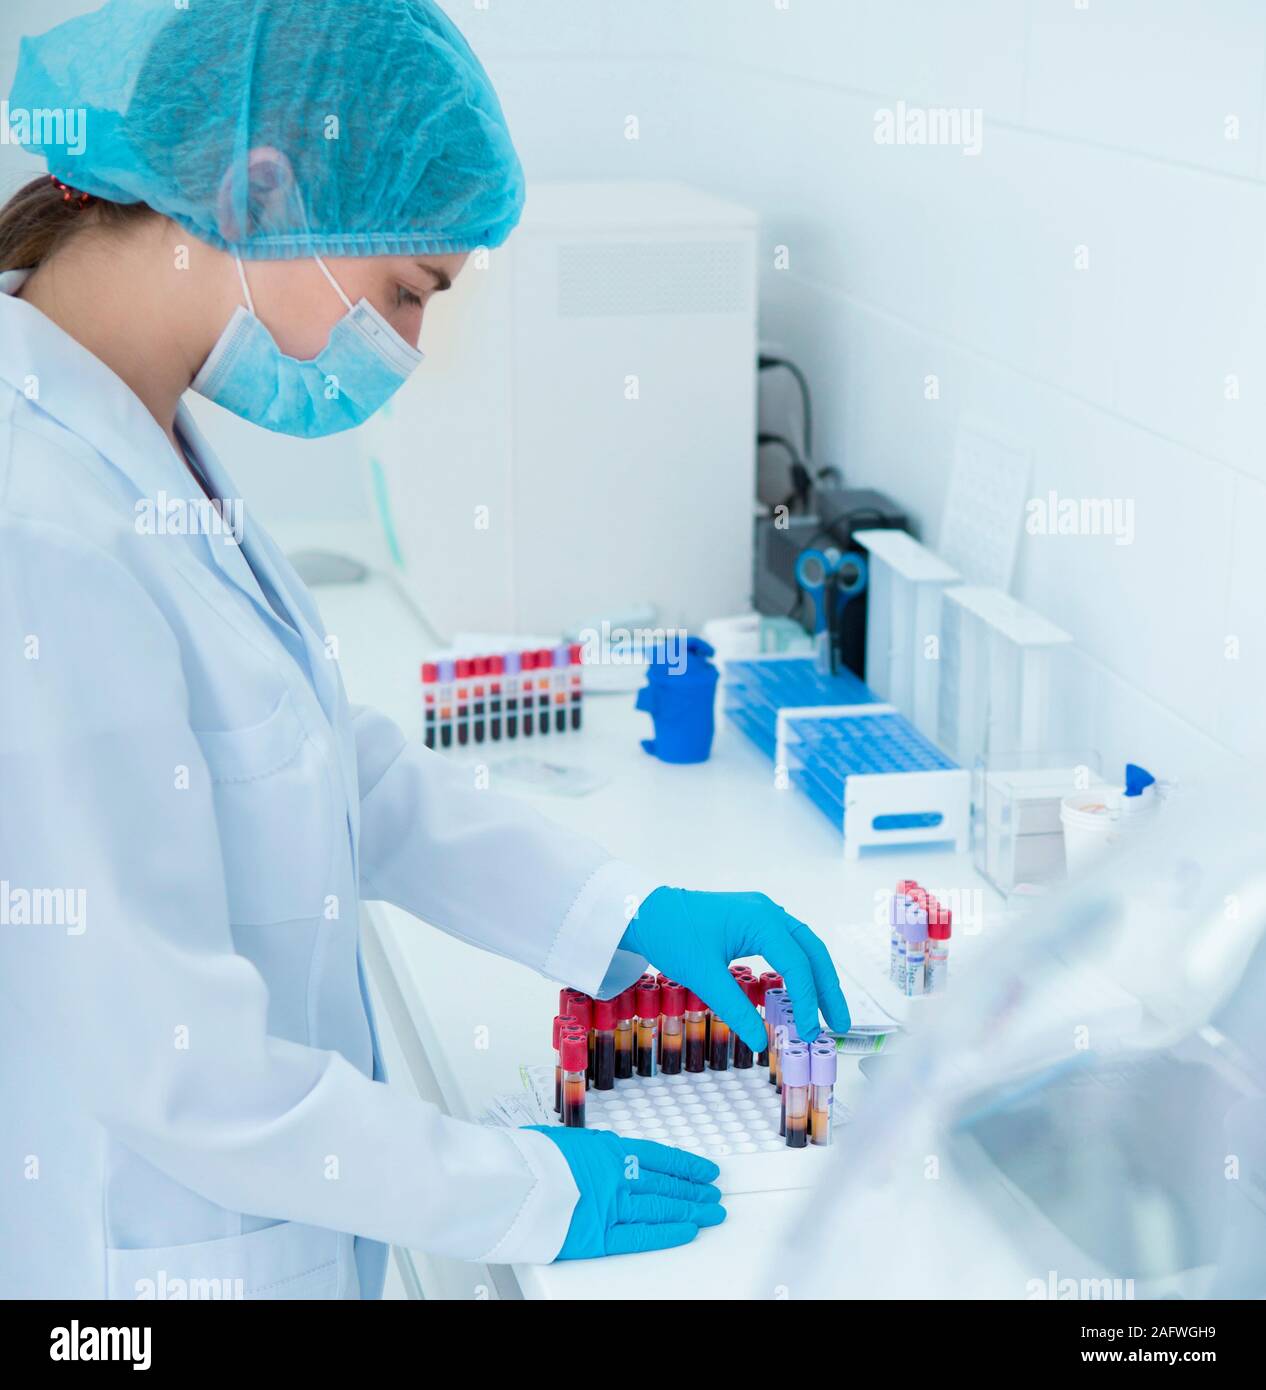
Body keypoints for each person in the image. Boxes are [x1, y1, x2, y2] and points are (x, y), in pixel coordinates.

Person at [0, 0, 850, 1300]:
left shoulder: (141, 433)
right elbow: (178, 1067)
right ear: (261, 190)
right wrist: (519, 1193)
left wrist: (623, 911)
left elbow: (323, 767)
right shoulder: (41, 528)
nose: (402, 349)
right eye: (406, 292)